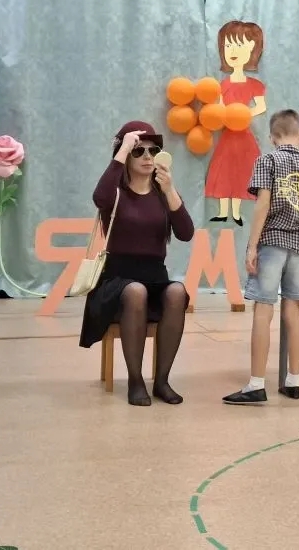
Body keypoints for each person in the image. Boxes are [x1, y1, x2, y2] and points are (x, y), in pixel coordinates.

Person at [78, 121, 195, 406]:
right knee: (135, 291)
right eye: (138, 150)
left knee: (177, 291)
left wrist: (170, 190)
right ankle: (135, 380)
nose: (146, 156)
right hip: (117, 282)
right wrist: (121, 150)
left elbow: (186, 233)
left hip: (155, 277)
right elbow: (99, 198)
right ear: (126, 155)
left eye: (153, 151)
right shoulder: (115, 193)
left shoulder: (163, 193)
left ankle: (162, 380)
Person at [223, 109, 299, 405]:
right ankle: (294, 381)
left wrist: (251, 246)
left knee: (263, 309)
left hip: (272, 242)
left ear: (272, 137)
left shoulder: (267, 160)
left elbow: (263, 204)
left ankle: (256, 384)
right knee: (294, 312)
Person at [205, 21, 268, 226]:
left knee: (241, 172)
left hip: (244, 137)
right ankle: (223, 212)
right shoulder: (222, 85)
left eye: (239, 45)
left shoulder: (255, 85)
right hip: (228, 136)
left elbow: (260, 106)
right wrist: (224, 116)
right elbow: (220, 107)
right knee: (223, 171)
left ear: (251, 48)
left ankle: (237, 213)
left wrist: (245, 114)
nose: (232, 51)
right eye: (228, 45)